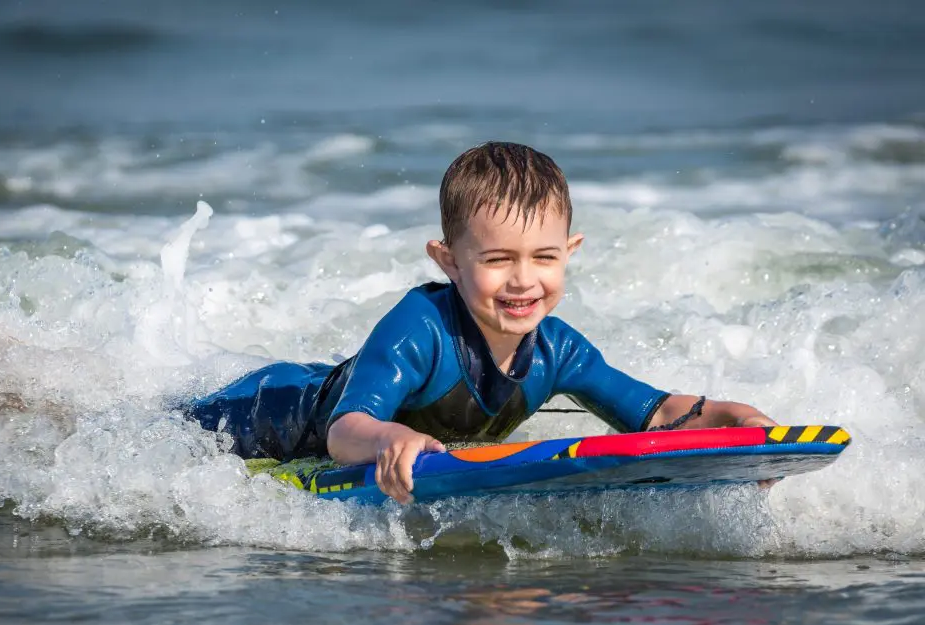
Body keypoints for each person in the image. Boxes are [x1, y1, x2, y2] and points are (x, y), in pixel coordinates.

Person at [187, 142, 776, 503]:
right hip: (265, 415)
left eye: (544, 258)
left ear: (569, 251)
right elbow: (346, 430)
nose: (524, 280)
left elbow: (656, 414)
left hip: (320, 405)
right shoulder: (419, 328)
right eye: (497, 260)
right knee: (157, 437)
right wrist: (391, 438)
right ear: (448, 260)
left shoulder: (559, 352)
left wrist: (728, 418)